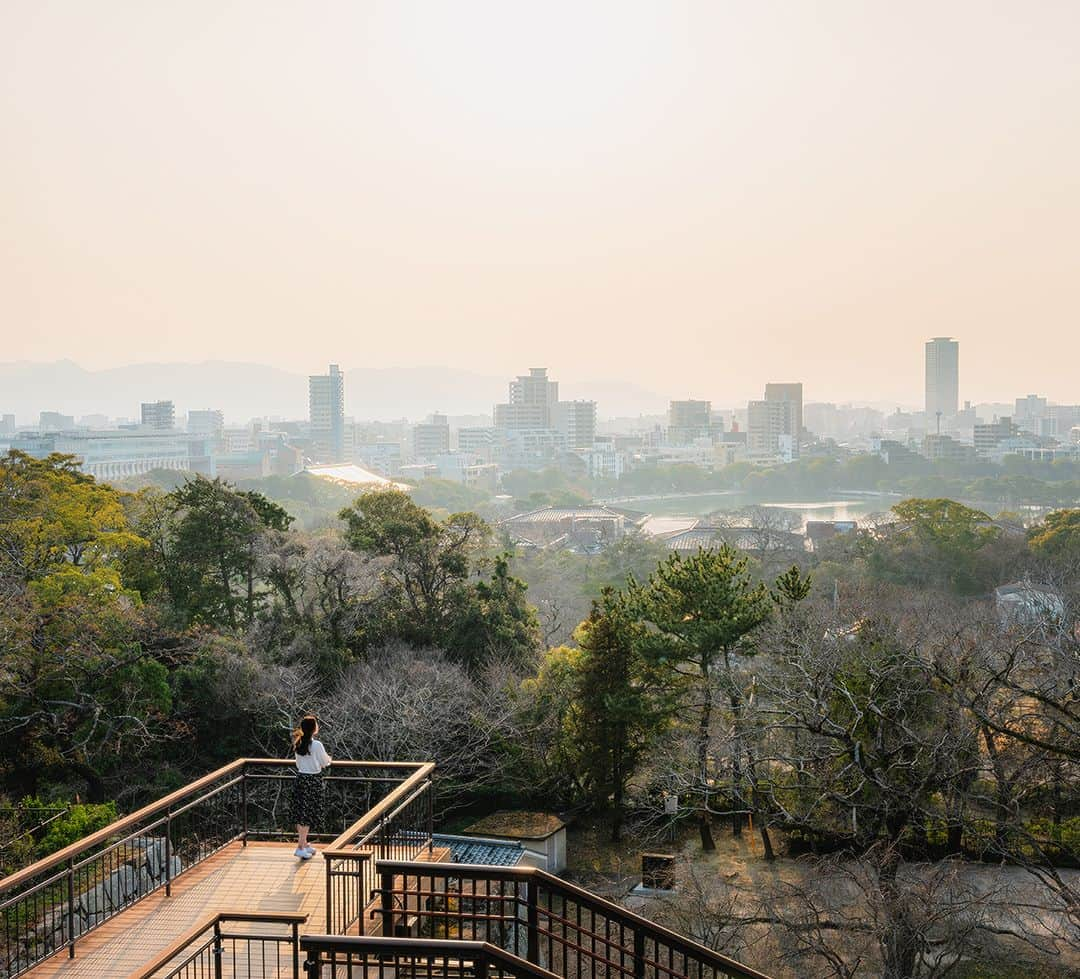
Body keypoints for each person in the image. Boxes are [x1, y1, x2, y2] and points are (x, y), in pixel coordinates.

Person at [292, 714, 331, 859]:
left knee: (301, 814)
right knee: (307, 816)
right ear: (314, 728)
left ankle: (304, 843)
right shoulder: (316, 745)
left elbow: (297, 764)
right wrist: (329, 759)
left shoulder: (298, 743)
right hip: (313, 780)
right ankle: (300, 847)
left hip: (301, 779)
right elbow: (325, 762)